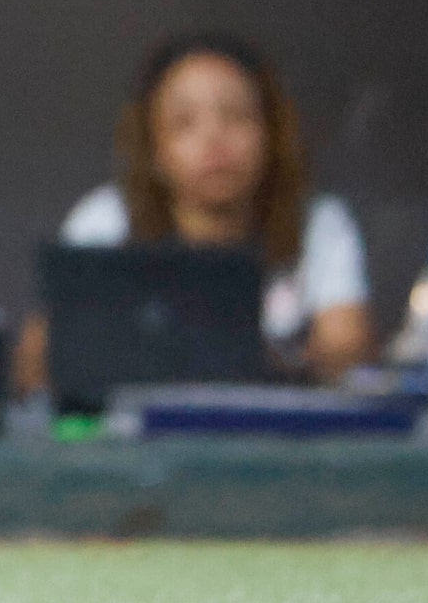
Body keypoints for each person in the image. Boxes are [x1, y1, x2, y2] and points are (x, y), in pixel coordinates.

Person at [19, 35, 372, 392]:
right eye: (183, 122)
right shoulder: (107, 218)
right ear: (153, 147)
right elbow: (36, 361)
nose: (214, 138)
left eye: (236, 115)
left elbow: (346, 349)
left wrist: (253, 360)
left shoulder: (318, 221)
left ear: (272, 133)